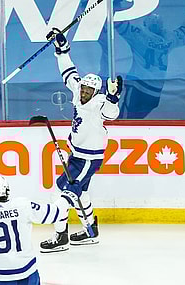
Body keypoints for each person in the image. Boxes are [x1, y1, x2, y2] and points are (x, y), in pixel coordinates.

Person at [39, 27, 122, 253]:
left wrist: (114, 97)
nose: (84, 92)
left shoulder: (100, 103)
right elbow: (68, 70)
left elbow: (111, 114)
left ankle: (60, 236)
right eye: (83, 88)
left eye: (88, 90)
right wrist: (61, 47)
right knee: (80, 192)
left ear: (97, 92)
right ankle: (90, 231)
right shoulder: (78, 90)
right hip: (76, 155)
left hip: (88, 159)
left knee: (63, 192)